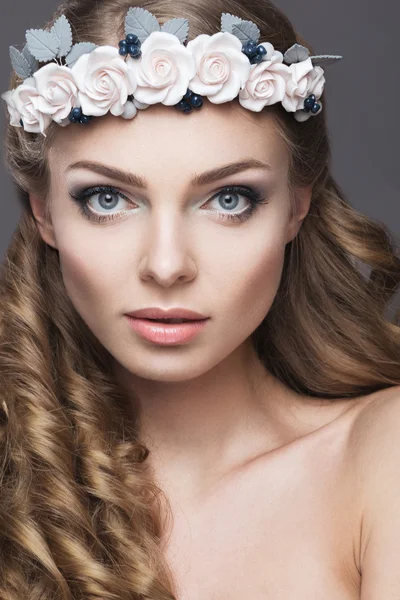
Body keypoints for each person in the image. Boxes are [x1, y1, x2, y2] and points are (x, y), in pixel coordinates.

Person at [0, 0, 399, 598]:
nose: (166, 266)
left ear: (295, 206)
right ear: (43, 212)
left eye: (229, 199)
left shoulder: (381, 457)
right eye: (107, 199)